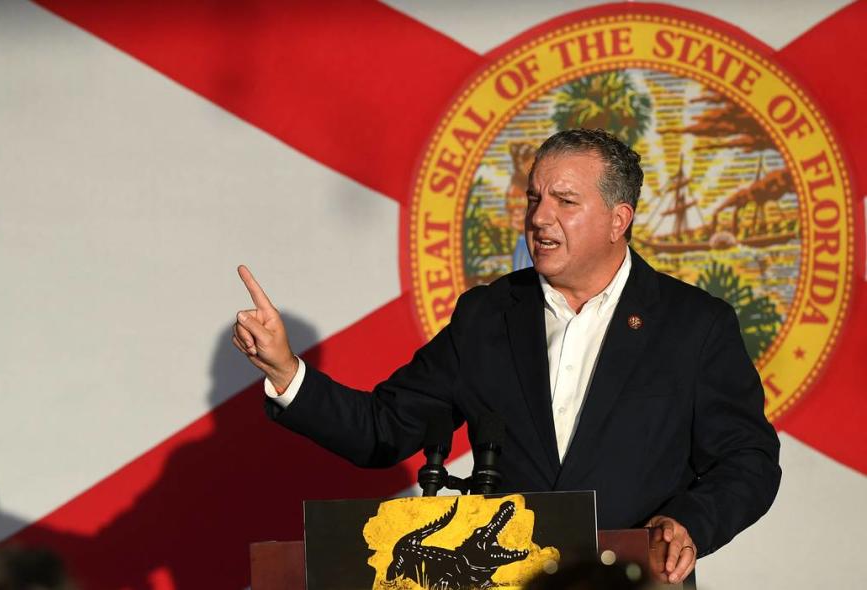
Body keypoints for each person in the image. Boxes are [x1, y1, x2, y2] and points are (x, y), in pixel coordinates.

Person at [233, 128, 781, 586]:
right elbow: (386, 428)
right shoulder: (489, 316)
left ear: (619, 220)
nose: (541, 218)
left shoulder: (693, 325)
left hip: (634, 580)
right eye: (534, 199)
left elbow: (748, 460)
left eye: (565, 202)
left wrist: (691, 521)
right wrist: (287, 372)